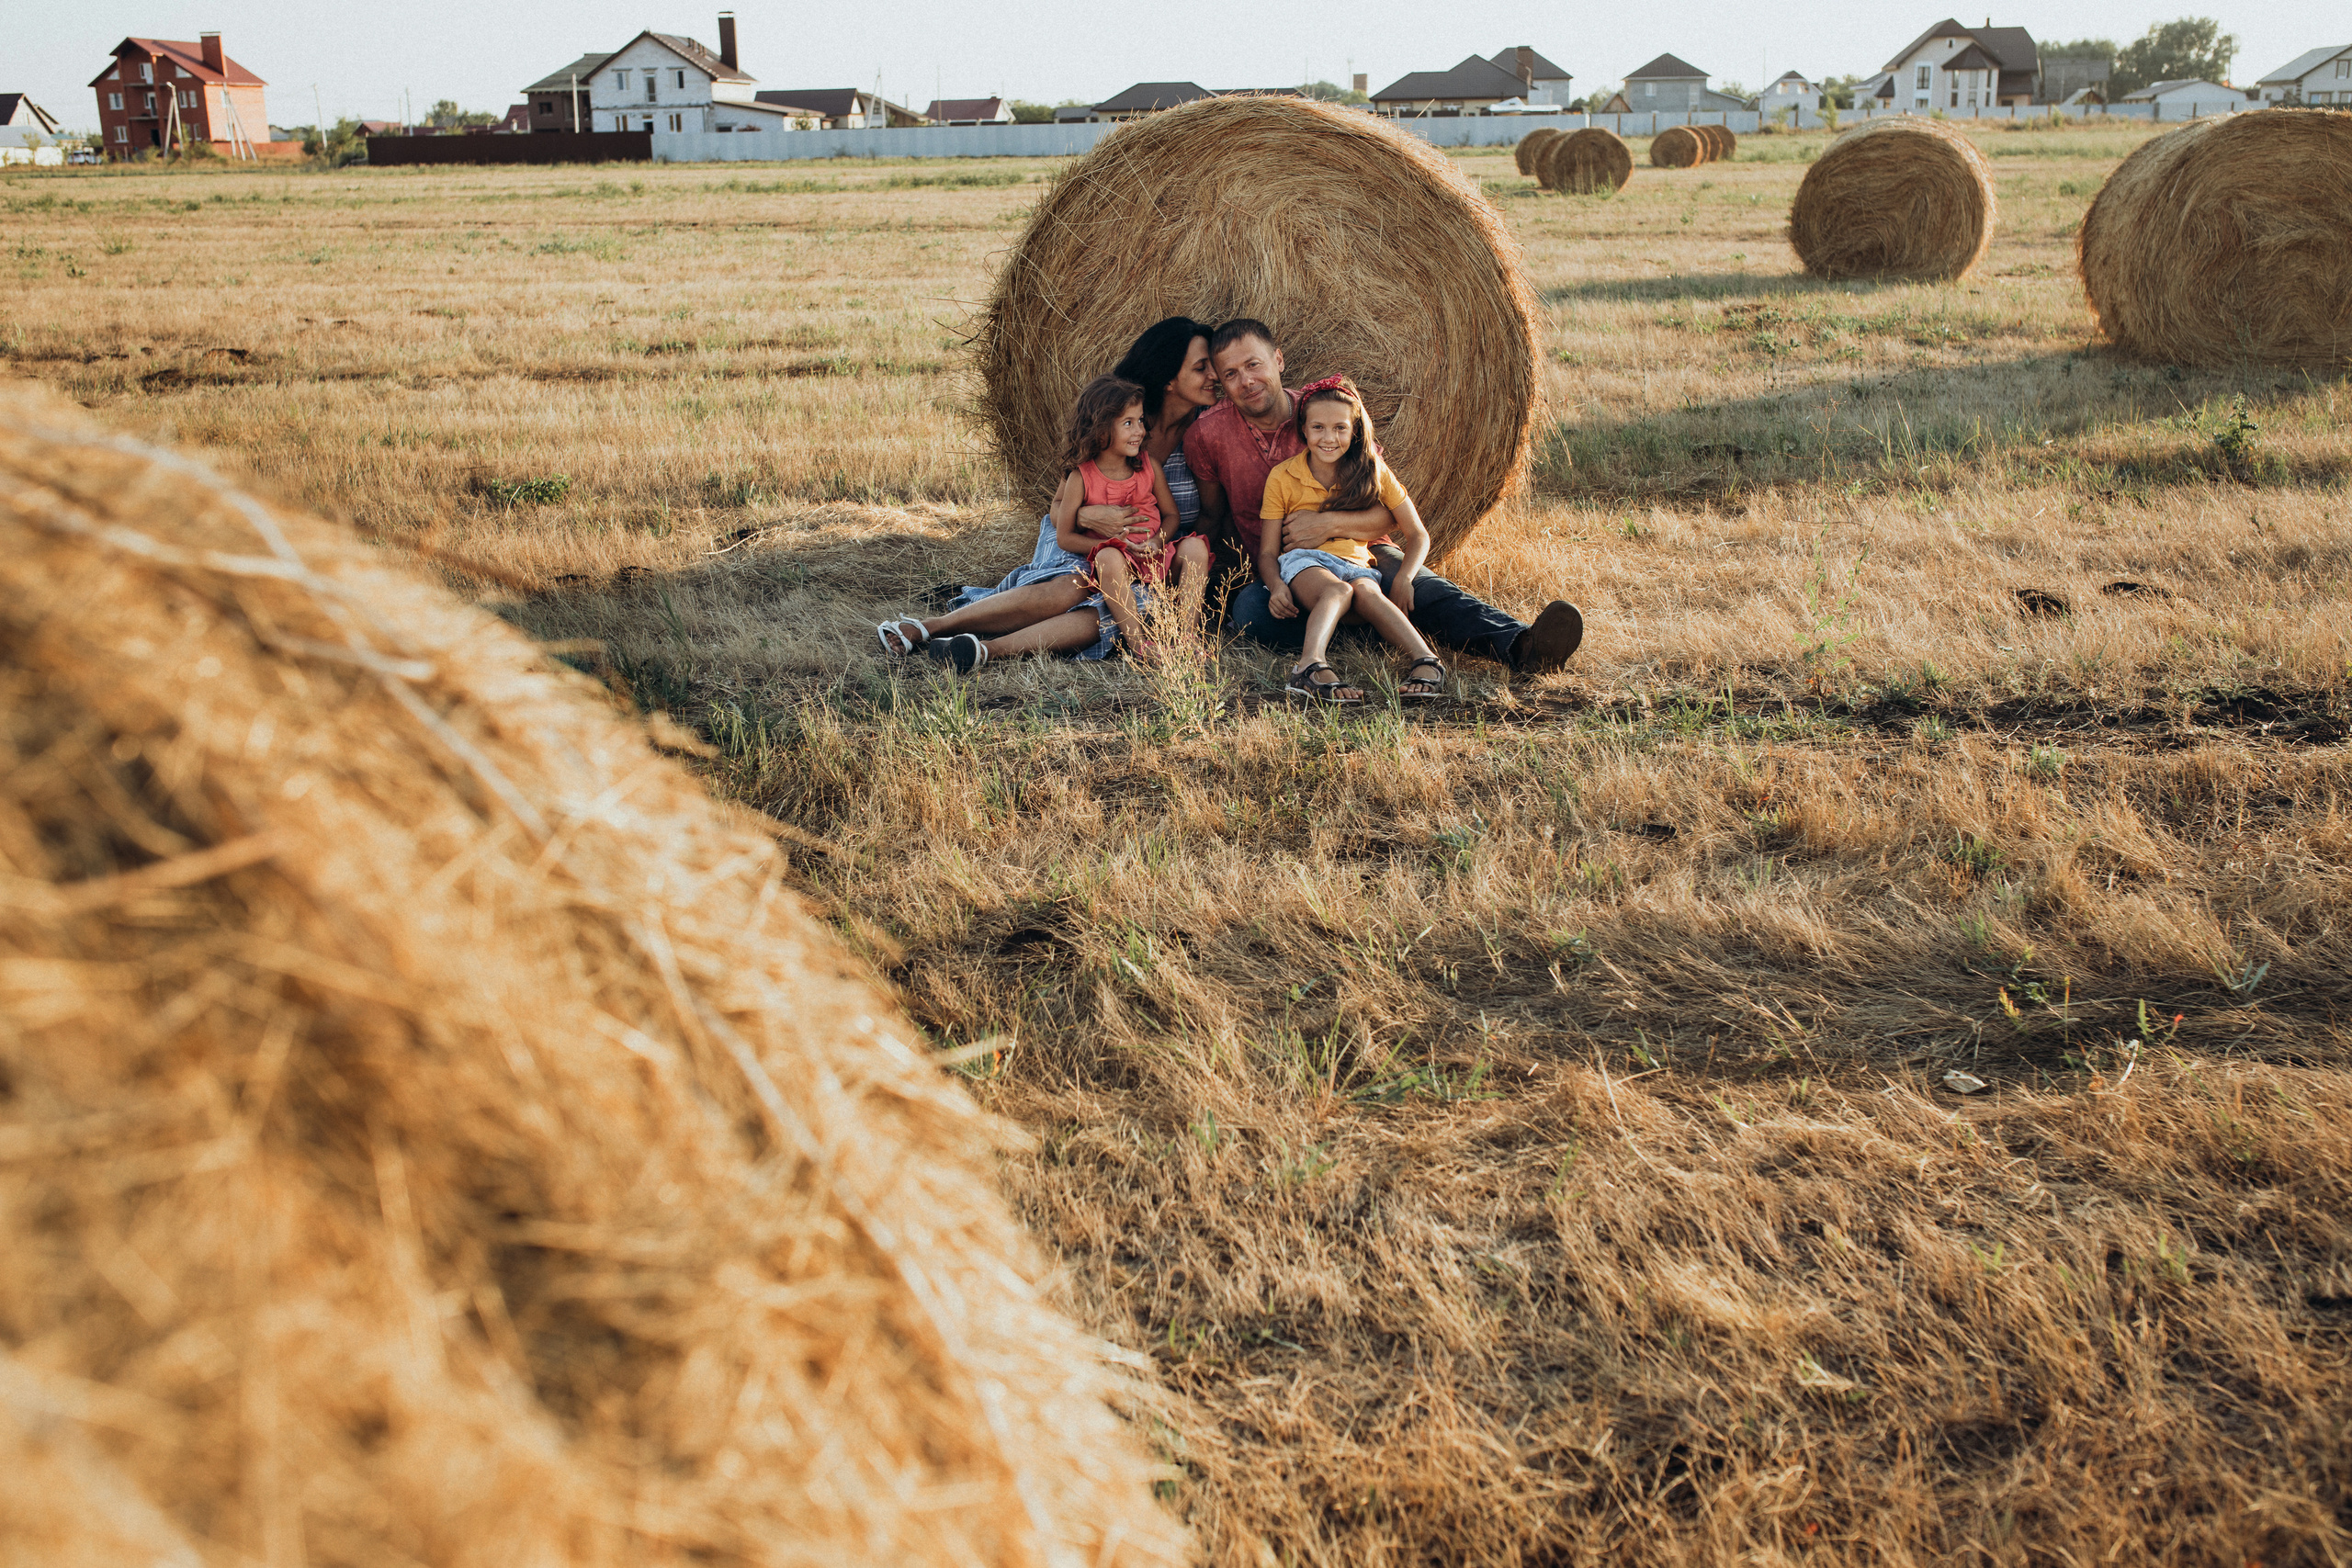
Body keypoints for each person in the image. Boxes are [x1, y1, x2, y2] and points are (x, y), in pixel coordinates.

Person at [1183, 318, 1585, 675]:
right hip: (1291, 570)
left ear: (1278, 360)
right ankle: (1376, 628)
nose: (1247, 381)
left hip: (1364, 552)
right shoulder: (1208, 435)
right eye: (1231, 373)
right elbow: (1215, 517)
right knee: (1251, 613)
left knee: (1423, 589)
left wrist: (1328, 523)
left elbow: (1390, 513)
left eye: (1254, 365)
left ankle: (1522, 645)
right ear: (1221, 382)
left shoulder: (1330, 412)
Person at [876, 318, 1218, 670]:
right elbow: (1061, 510)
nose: (1216, 376)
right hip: (1081, 540)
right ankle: (928, 627)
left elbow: (1211, 516)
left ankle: (981, 651)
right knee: (1072, 587)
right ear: (1168, 378)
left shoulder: (1208, 429)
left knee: (1105, 612)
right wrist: (1086, 516)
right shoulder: (1116, 414)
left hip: (1147, 551)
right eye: (1201, 367)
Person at [1260, 377, 1446, 703]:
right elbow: (1267, 551)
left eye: (1340, 428)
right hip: (1305, 561)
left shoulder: (1372, 470)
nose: (1328, 438)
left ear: (1355, 430)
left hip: (1358, 563)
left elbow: (1418, 534)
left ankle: (1428, 661)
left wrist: (1404, 578)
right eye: (1318, 427)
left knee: (1367, 591)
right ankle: (1309, 666)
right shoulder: (1283, 476)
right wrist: (1276, 585)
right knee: (1338, 589)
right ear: (1303, 429)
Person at [1049, 375, 1180, 656]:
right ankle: (1139, 647)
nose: (1140, 431)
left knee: (1196, 548)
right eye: (1128, 423)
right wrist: (1112, 547)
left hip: (1152, 556)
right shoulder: (1080, 476)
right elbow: (1065, 537)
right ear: (1100, 430)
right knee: (1109, 559)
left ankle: (1187, 635)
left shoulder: (1148, 465)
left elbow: (1171, 515)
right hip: (1112, 563)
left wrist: (1158, 541)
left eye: (1141, 421)